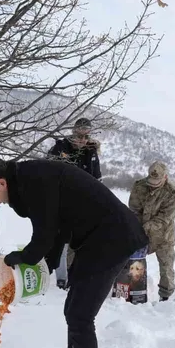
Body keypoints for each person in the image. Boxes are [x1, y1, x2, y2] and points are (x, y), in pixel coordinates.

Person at [0, 156, 148, 348]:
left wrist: (23, 258)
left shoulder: (33, 181)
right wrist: (50, 262)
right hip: (94, 239)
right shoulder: (27, 179)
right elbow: (59, 226)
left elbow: (45, 233)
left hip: (113, 237)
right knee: (72, 308)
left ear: (1, 183)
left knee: (80, 314)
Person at [47, 117, 103, 290]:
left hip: (83, 204)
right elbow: (48, 174)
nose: (82, 140)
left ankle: (75, 275)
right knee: (60, 242)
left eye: (86, 136)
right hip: (61, 203)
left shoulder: (91, 152)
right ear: (73, 133)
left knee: (80, 242)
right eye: (79, 136)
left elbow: (97, 179)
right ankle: (60, 278)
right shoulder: (61, 148)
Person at [128, 161, 175, 301]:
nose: (153, 184)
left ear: (165, 177)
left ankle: (165, 297)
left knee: (166, 267)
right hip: (141, 233)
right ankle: (133, 291)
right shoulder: (139, 186)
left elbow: (164, 217)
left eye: (157, 182)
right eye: (151, 181)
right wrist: (136, 228)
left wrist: (147, 227)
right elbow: (134, 210)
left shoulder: (172, 192)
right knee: (134, 263)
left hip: (164, 235)